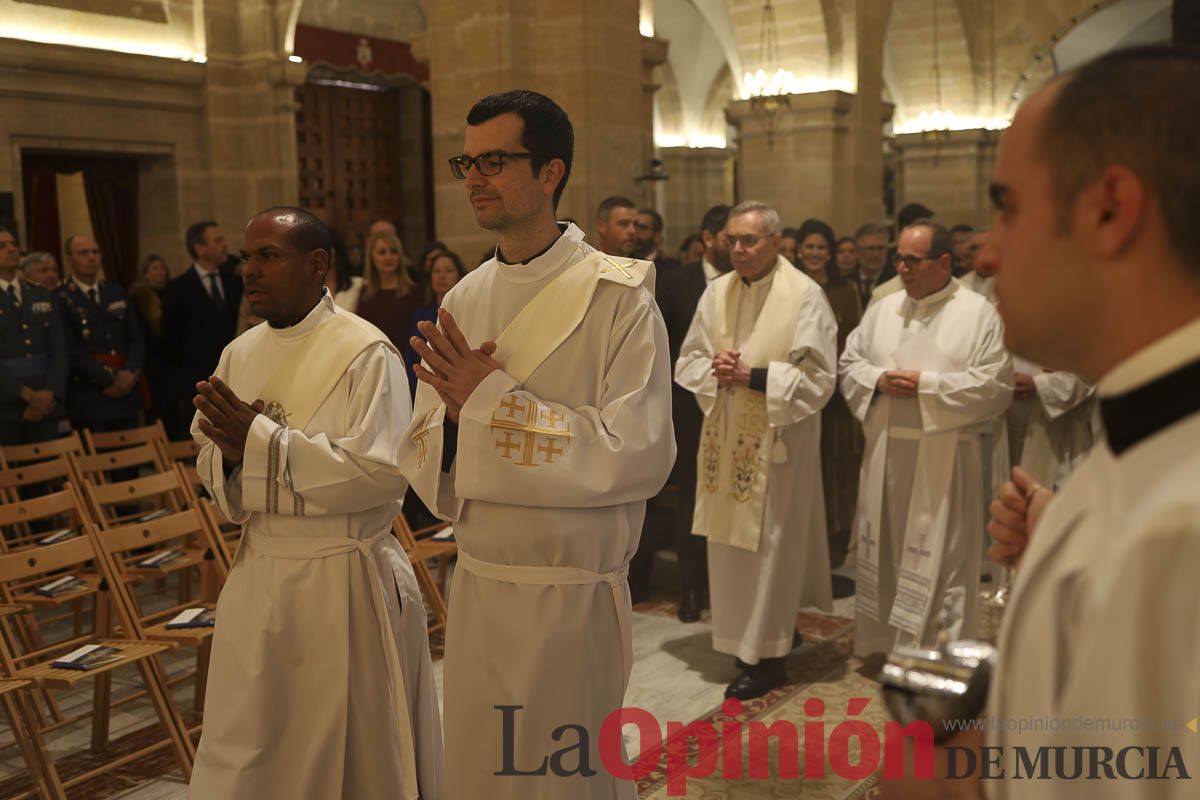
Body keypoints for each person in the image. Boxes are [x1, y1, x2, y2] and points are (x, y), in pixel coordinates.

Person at [398, 89, 674, 799]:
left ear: (551, 173)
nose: (474, 178)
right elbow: (428, 447)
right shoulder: (463, 299)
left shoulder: (618, 296)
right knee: (482, 775)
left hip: (570, 600)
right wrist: (458, 421)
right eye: (468, 160)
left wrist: (490, 401)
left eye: (495, 160)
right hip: (482, 586)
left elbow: (637, 452)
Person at [971, 46, 1200, 800]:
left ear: (1109, 210)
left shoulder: (1177, 536)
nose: (988, 251)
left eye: (1007, 208)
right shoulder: (1152, 445)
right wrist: (1071, 529)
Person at [188, 206, 442, 799]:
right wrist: (228, 456)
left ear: (318, 264)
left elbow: (382, 474)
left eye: (268, 256)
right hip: (260, 574)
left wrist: (260, 441)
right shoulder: (240, 353)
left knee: (349, 755)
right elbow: (206, 449)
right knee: (250, 743)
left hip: (342, 579)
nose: (250, 271)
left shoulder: (364, 352)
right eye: (245, 258)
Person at [677, 202, 836, 699]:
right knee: (729, 546)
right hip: (726, 439)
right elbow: (688, 360)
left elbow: (820, 376)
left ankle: (767, 656)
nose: (739, 250)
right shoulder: (716, 292)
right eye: (732, 241)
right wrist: (718, 368)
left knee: (772, 545)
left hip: (778, 440)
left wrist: (755, 376)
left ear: (776, 242)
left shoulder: (805, 296)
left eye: (749, 241)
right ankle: (747, 635)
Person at [839, 219, 1012, 656]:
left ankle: (941, 651)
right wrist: (879, 379)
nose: (902, 267)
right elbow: (850, 363)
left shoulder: (978, 313)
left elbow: (995, 387)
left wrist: (927, 385)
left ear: (945, 262)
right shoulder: (883, 308)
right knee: (887, 551)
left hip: (947, 456)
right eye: (899, 258)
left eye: (912, 260)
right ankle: (886, 644)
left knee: (946, 558)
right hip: (886, 455)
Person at [656, 204, 731, 623]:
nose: (735, 247)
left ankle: (726, 586)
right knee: (692, 503)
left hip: (738, 407)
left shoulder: (749, 283)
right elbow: (662, 351)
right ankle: (691, 589)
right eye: (728, 238)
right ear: (707, 238)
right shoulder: (676, 283)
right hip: (689, 411)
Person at [796, 218, 864, 572]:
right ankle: (808, 548)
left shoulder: (846, 289)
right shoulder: (791, 288)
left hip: (837, 397)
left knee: (839, 471)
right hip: (798, 392)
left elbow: (854, 336)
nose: (815, 253)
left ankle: (836, 549)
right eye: (809, 246)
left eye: (821, 247)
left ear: (831, 252)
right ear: (799, 250)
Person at [55, 234, 144, 434]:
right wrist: (110, 377)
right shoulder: (61, 298)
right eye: (83, 253)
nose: (92, 257)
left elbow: (136, 338)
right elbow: (70, 350)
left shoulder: (115, 292)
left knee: (131, 461)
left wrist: (130, 373)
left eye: (95, 252)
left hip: (127, 393)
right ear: (70, 259)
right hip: (90, 396)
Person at [161, 221, 243, 439]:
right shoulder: (178, 288)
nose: (225, 244)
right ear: (200, 248)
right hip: (196, 381)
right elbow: (171, 342)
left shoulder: (234, 282)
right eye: (218, 240)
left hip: (232, 375)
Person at [0, 227, 67, 446]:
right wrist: (26, 395)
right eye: (2, 246)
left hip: (46, 403)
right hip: (7, 407)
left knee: (46, 474)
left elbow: (59, 350)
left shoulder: (40, 294)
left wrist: (49, 394)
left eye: (12, 244)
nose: (11, 249)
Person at [403, 249, 465, 398]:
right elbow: (412, 357)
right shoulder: (421, 315)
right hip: (424, 387)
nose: (442, 275)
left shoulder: (466, 312)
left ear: (459, 276)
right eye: (436, 271)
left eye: (449, 271)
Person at [355, 229, 422, 353]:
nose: (388, 257)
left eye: (393, 252)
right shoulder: (365, 294)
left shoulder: (414, 292)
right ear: (371, 257)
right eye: (382, 252)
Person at [131, 253, 171, 424]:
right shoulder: (139, 297)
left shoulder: (171, 293)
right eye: (155, 268)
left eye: (162, 268)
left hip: (170, 357)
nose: (160, 272)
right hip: (152, 360)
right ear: (146, 274)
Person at [852, 222, 891, 308]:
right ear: (857, 251)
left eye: (881, 248)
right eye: (871, 248)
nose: (876, 254)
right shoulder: (848, 282)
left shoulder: (895, 282)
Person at [326, 228, 365, 311]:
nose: (321, 253)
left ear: (337, 253)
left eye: (326, 248)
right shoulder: (311, 290)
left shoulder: (358, 285)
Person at [635, 207, 680, 277]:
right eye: (634, 226)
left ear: (657, 234)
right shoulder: (625, 262)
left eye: (642, 228)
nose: (635, 232)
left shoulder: (671, 268)